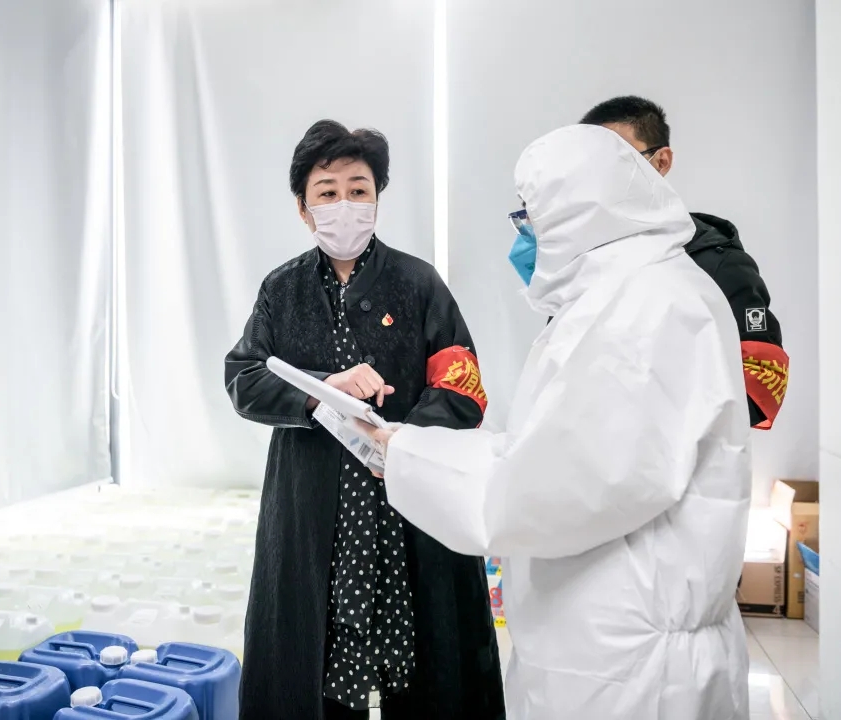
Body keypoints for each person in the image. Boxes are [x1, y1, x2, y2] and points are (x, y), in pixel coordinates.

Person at [365, 125, 752, 719]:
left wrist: (406, 455)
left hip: (631, 666)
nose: (522, 236)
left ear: (578, 213)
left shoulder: (645, 308)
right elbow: (553, 448)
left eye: (528, 216)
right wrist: (409, 448)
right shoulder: (624, 296)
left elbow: (563, 487)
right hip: (603, 640)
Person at [224, 119, 505, 720]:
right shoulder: (282, 289)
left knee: (425, 659)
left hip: (407, 497)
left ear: (377, 199)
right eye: (327, 192)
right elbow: (243, 379)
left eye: (359, 190)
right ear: (303, 208)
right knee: (315, 660)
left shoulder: (418, 282)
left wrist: (402, 439)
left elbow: (463, 384)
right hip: (312, 506)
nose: (344, 205)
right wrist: (320, 390)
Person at [580, 96, 788, 429]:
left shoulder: (718, 264)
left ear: (661, 161)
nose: (604, 177)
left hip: (679, 456)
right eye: (592, 165)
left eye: (621, 160)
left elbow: (759, 392)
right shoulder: (586, 262)